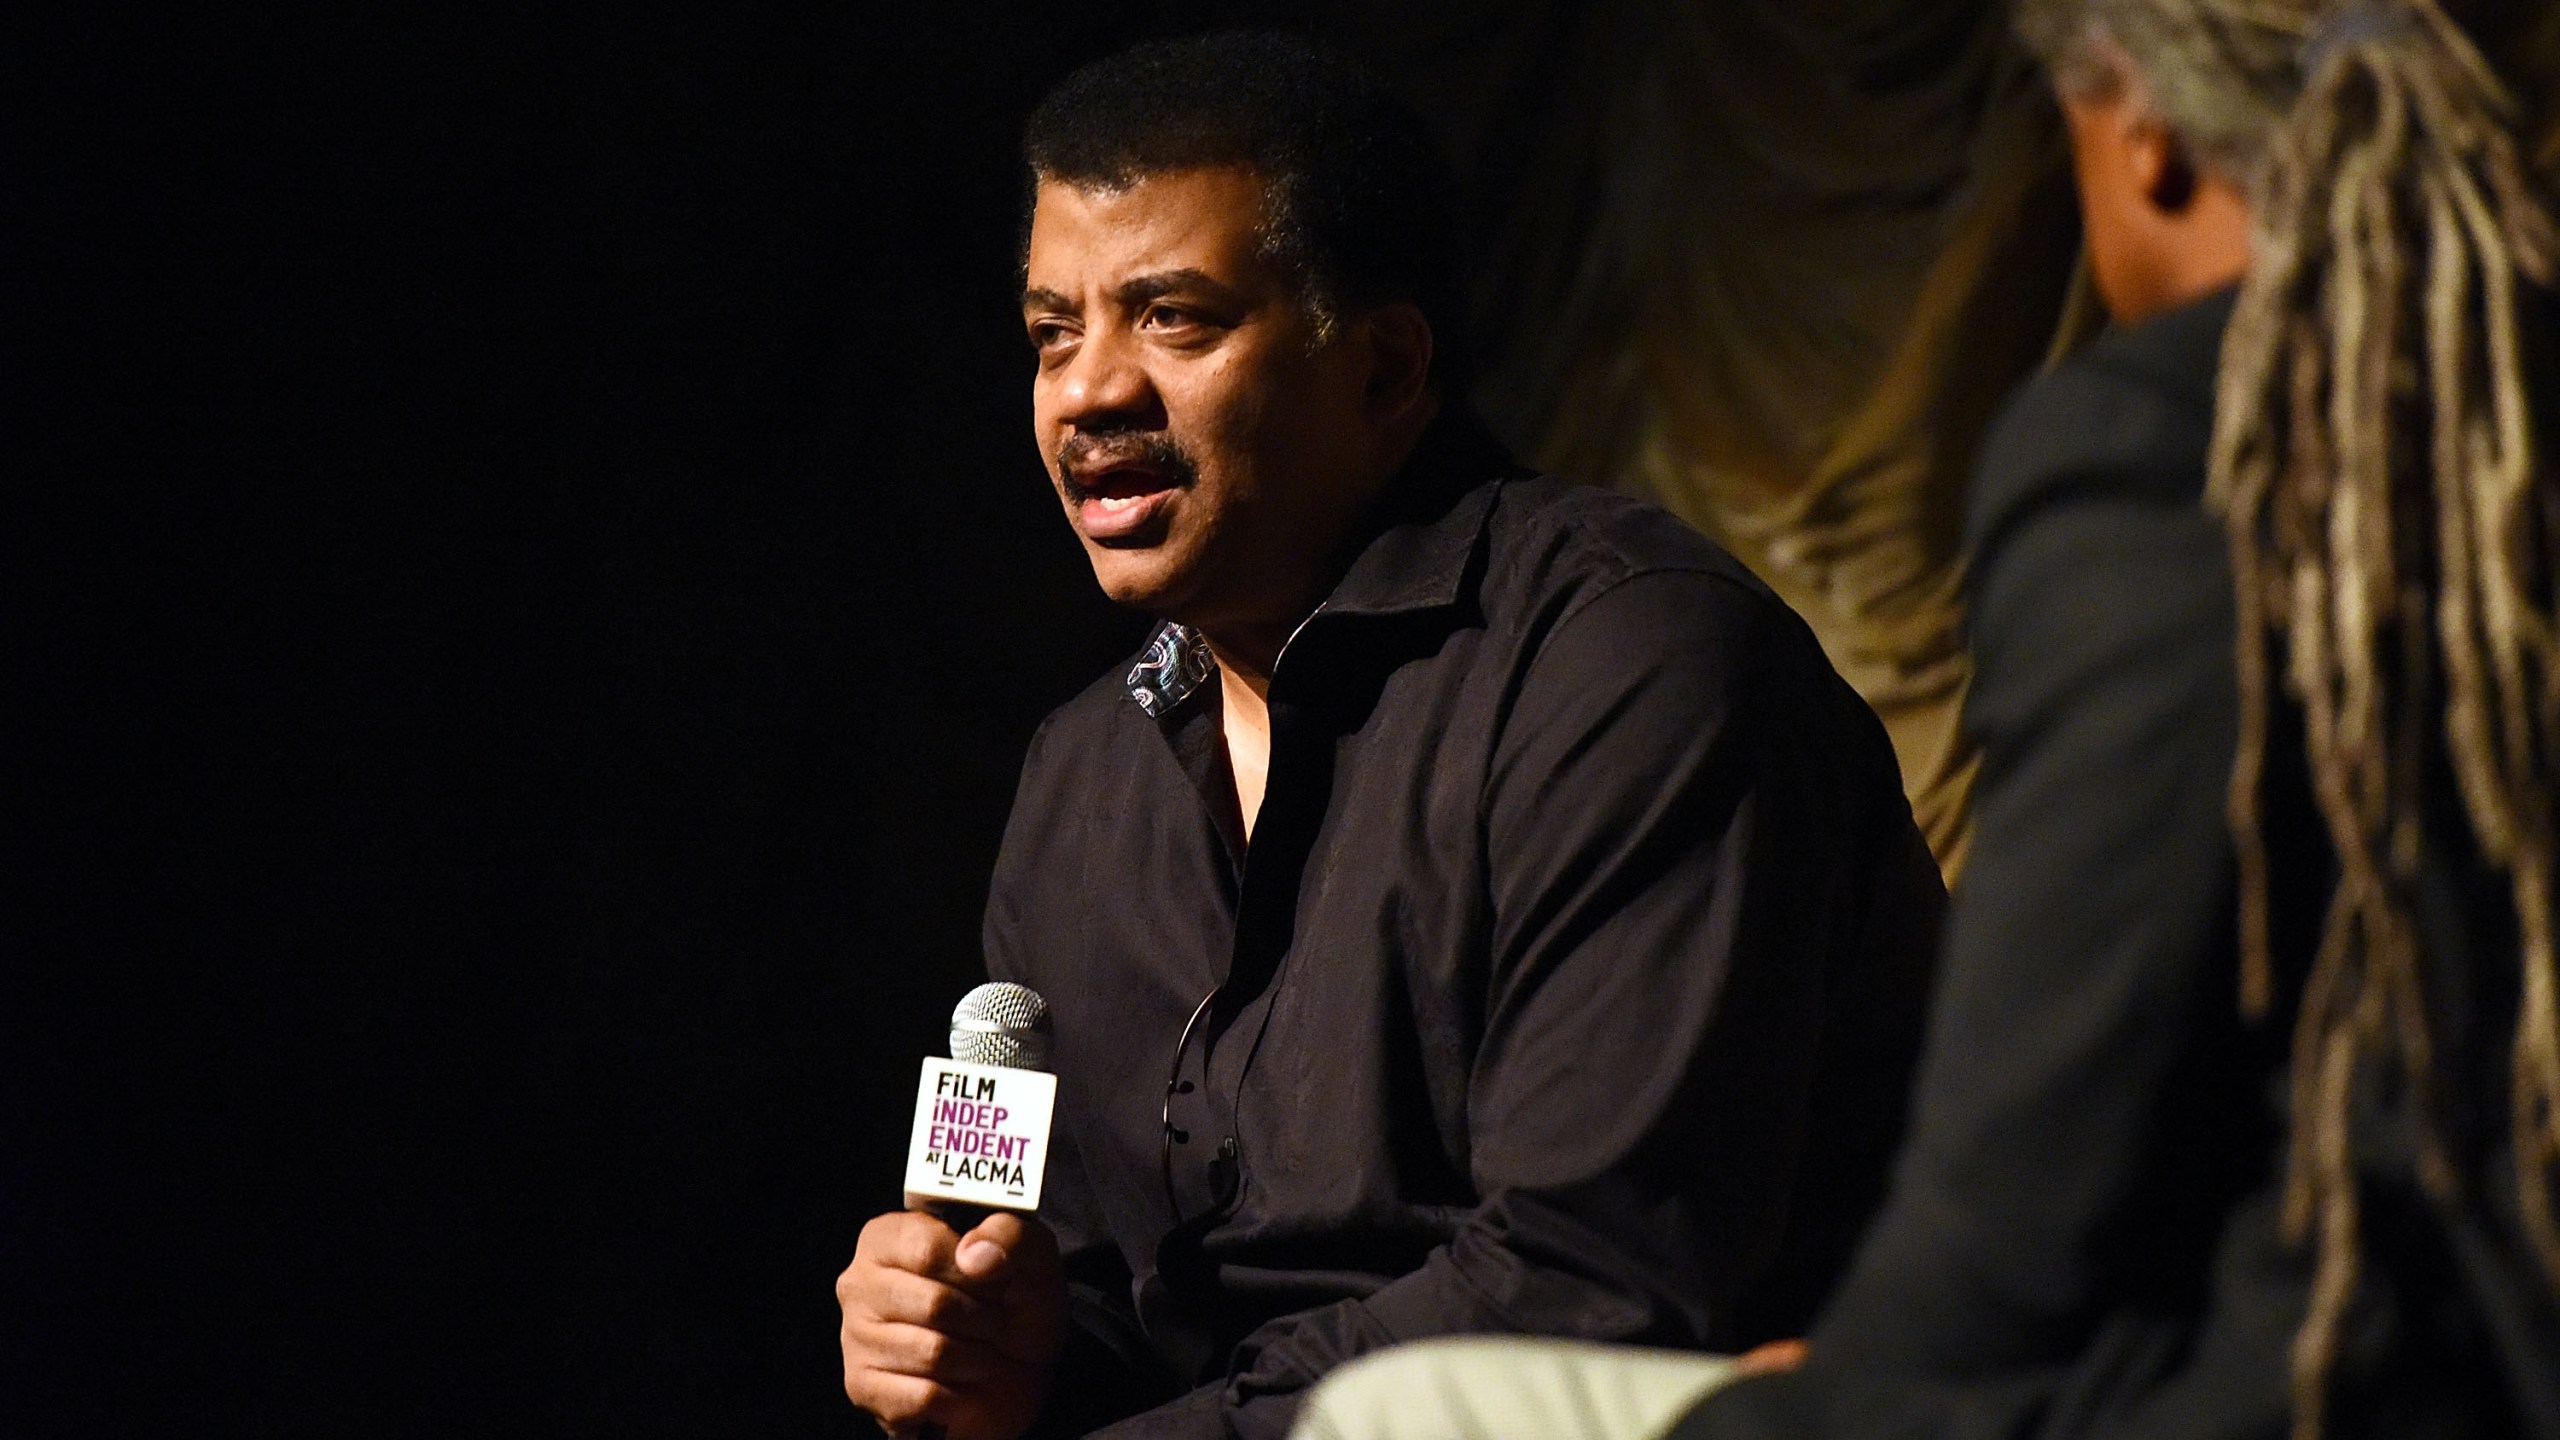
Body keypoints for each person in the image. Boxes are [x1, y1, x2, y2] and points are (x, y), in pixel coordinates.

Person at [1288, 2, 2560, 1438]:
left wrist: (1845, 1389)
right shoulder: (2495, 422)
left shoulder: (2162, 451)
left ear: (2142, 143)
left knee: (1407, 1416)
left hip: (2325, 1381)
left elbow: (2037, 1186)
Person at [829, 32, 1948, 1440]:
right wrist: (1002, 1349)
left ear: (1385, 366)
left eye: (1172, 318)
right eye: (1055, 329)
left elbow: (1591, 1288)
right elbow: (1123, 1304)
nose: (1088, 391)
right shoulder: (1082, 777)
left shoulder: (1627, 670)